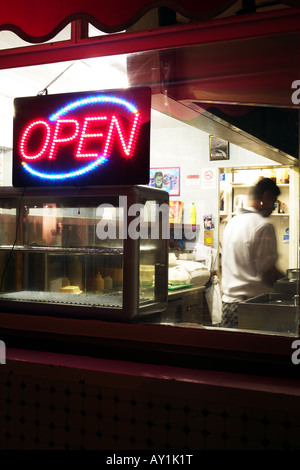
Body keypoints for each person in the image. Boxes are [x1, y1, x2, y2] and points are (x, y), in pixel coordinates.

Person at [220, 177, 284, 328]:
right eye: (274, 201)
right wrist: (289, 284)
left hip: (228, 306)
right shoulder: (263, 226)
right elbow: (268, 272)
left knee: (232, 350)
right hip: (251, 307)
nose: (274, 207)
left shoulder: (232, 222)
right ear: (265, 196)